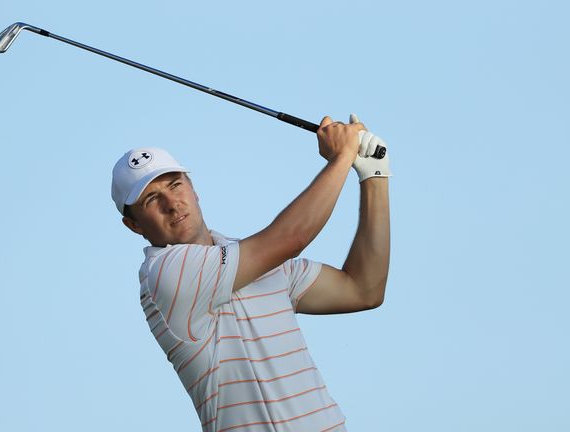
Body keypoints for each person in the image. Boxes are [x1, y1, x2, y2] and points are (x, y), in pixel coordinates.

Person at [111, 114, 391, 432]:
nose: (172, 203)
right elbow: (290, 238)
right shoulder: (162, 275)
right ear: (133, 224)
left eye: (175, 185)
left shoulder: (259, 261)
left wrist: (375, 176)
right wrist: (342, 157)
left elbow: (363, 289)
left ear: (193, 188)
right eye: (151, 199)